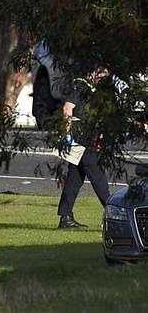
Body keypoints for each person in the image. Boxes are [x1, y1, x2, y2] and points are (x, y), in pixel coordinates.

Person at [57, 72, 110, 229]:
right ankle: (114, 213)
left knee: (74, 179)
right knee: (99, 178)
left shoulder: (95, 90)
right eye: (101, 73)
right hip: (82, 140)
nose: (104, 77)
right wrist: (66, 134)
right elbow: (67, 108)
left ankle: (65, 216)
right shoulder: (81, 85)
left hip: (87, 138)